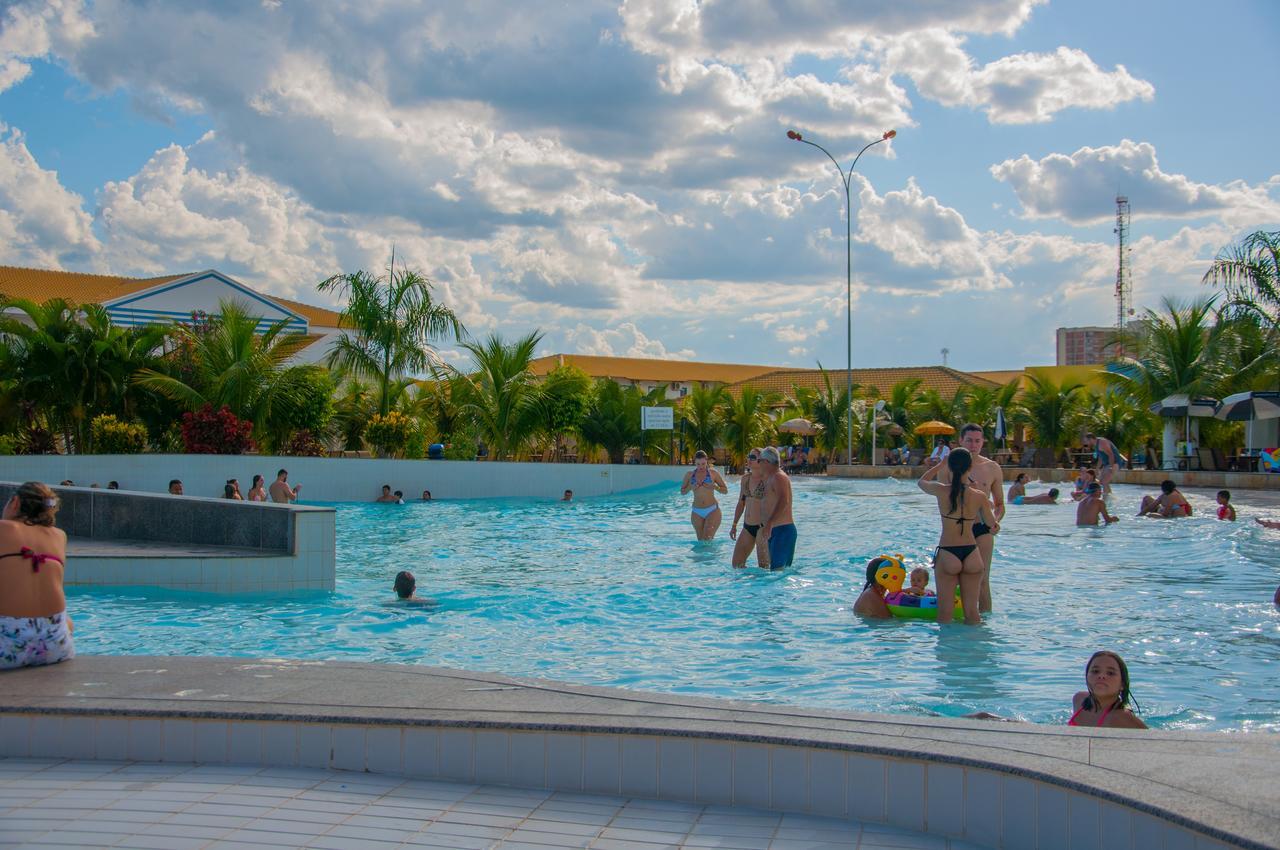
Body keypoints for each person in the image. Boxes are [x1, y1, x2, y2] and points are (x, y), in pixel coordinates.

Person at [0, 482, 74, 670]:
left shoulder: (3, 528)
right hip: (55, 648)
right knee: (68, 620)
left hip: (7, 649)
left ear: (15, 502)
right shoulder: (59, 535)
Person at [918, 448, 995, 625]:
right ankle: (975, 649)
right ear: (970, 468)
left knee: (945, 614)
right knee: (972, 613)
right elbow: (992, 525)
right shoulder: (979, 496)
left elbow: (922, 482)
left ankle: (949, 653)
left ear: (950, 469)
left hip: (948, 553)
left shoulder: (941, 491)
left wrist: (940, 465)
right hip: (972, 554)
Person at [938, 424, 1004, 614]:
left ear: (983, 442)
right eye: (969, 440)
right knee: (953, 577)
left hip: (982, 528)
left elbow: (999, 504)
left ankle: (984, 624)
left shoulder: (991, 468)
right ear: (960, 441)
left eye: (977, 441)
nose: (973, 445)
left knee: (982, 579)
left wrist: (995, 521)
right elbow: (942, 497)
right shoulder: (949, 467)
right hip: (956, 530)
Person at [1068, 651, 1147, 729]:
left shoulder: (1123, 718)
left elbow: (1152, 739)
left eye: (1110, 673)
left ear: (1122, 684)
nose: (1101, 676)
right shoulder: (1079, 699)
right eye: (1095, 671)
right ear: (1087, 676)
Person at [729, 448, 770, 569]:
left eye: (753, 457)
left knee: (763, 567)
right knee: (737, 565)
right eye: (749, 456)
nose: (749, 459)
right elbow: (741, 503)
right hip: (747, 527)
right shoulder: (745, 479)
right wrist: (734, 525)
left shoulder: (768, 479)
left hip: (762, 527)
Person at [758, 447, 797, 569]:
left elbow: (783, 501)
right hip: (775, 530)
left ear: (767, 462)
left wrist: (770, 522)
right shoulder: (771, 477)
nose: (759, 463)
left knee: (778, 573)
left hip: (783, 530)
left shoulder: (779, 477)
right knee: (776, 572)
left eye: (760, 461)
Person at [680, 450, 729, 540]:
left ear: (707, 461)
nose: (701, 466)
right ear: (694, 462)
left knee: (707, 539)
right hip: (696, 511)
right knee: (701, 541)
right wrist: (690, 487)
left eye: (703, 463)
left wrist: (714, 487)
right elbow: (682, 492)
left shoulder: (713, 473)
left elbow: (725, 491)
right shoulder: (689, 475)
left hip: (712, 510)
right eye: (698, 464)